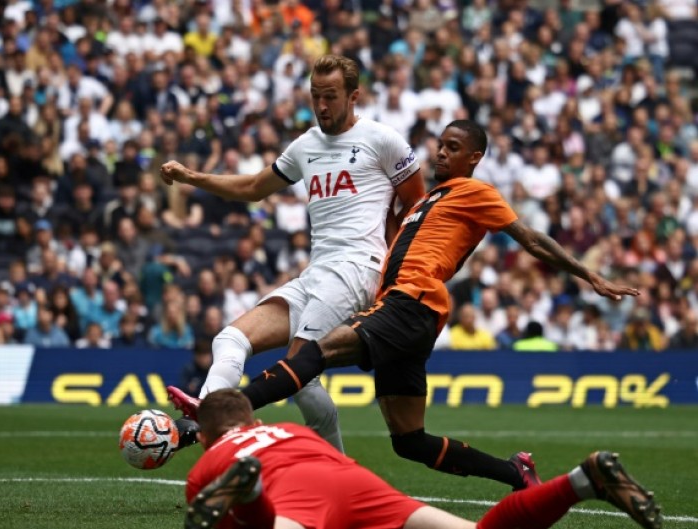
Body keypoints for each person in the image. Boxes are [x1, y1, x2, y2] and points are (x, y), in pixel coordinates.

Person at [186, 120, 641, 491]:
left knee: (315, 354)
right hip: (409, 311)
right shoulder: (427, 200)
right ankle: (515, 473)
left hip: (412, 301)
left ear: (474, 158)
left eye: (453, 146)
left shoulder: (476, 193)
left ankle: (221, 412)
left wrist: (589, 275)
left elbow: (531, 239)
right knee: (409, 441)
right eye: (440, 145)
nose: (441, 153)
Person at [163, 54, 426, 452]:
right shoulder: (306, 145)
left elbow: (416, 209)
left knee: (297, 367)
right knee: (231, 339)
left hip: (358, 268)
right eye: (315, 96)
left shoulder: (383, 140)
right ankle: (210, 410)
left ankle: (220, 415)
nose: (321, 106)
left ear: (353, 96)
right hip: (318, 271)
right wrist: (191, 177)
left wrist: (395, 271)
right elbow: (253, 187)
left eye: (331, 96)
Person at [185, 389, 660, 529]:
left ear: (206, 437)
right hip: (349, 479)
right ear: (250, 416)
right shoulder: (288, 428)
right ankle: (583, 480)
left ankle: (250, 491)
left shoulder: (207, 463)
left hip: (284, 494)